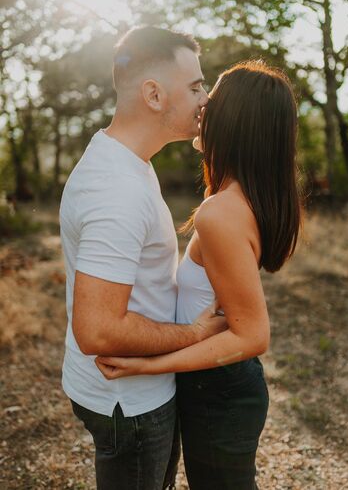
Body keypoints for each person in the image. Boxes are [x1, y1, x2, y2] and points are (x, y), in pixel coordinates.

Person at [96, 60, 302, 489]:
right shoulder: (239, 196)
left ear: (236, 122)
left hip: (219, 389)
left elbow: (253, 335)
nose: (202, 106)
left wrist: (152, 364)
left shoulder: (221, 211)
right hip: (220, 386)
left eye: (213, 99)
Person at [59, 26, 227, 490]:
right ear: (153, 94)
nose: (206, 98)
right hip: (129, 401)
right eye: (195, 86)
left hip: (128, 390)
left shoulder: (126, 161)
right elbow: (98, 329)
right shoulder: (115, 189)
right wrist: (194, 334)